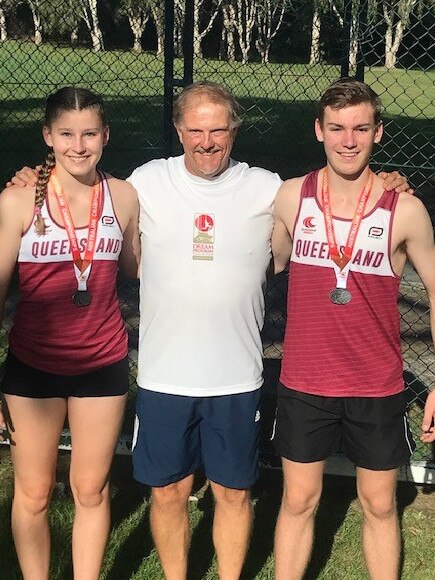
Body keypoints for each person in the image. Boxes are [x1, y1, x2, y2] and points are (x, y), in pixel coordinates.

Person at [4, 81, 411, 580]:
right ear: (178, 131)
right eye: (195, 129)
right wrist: (34, 175)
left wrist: (389, 180)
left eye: (219, 129)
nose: (207, 141)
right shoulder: (142, 185)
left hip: (237, 377)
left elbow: (339, 192)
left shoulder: (269, 188)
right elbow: (77, 180)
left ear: (235, 131)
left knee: (235, 493)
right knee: (168, 492)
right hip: (163, 375)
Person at [271, 78, 435, 580]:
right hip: (304, 380)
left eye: (361, 128)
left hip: (376, 383)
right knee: (298, 501)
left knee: (381, 505)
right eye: (337, 127)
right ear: (318, 130)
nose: (348, 140)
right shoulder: (289, 197)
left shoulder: (404, 209)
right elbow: (272, 262)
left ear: (378, 132)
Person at [0, 87, 140, 580]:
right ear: (48, 136)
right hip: (32, 370)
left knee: (91, 489)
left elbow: (133, 267)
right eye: (66, 134)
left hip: (101, 366)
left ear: (105, 136)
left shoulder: (122, 196)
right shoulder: (17, 200)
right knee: (34, 493)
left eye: (88, 134)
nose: (78, 146)